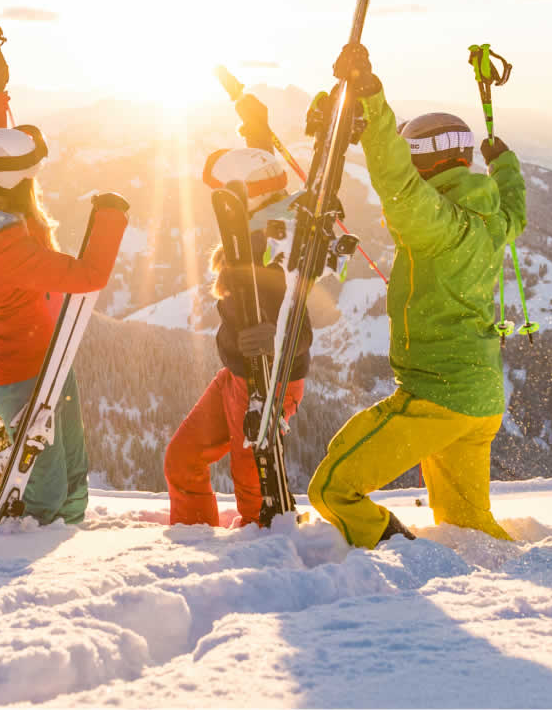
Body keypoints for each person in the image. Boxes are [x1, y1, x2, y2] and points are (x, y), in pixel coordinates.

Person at [306, 42, 526, 547]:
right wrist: (506, 165)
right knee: (469, 528)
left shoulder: (438, 225)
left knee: (333, 489)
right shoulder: (493, 221)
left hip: (438, 396)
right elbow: (515, 204)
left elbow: (395, 179)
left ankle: (395, 550)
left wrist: (371, 98)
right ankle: (507, 583)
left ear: (426, 163)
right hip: (482, 401)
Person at [0, 41, 129, 525]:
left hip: (48, 360)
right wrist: (110, 215)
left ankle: (69, 538)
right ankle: (29, 550)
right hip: (25, 375)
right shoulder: (5, 249)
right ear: (18, 181)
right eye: (31, 173)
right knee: (47, 480)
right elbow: (89, 276)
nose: (36, 178)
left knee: (73, 468)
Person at [164, 98, 328, 527]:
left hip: (270, 380)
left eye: (225, 194)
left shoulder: (280, 242)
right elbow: (262, 179)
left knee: (253, 483)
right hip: (236, 376)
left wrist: (276, 338)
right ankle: (193, 536)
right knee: (182, 459)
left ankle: (268, 550)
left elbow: (300, 323)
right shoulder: (255, 223)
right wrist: (257, 131)